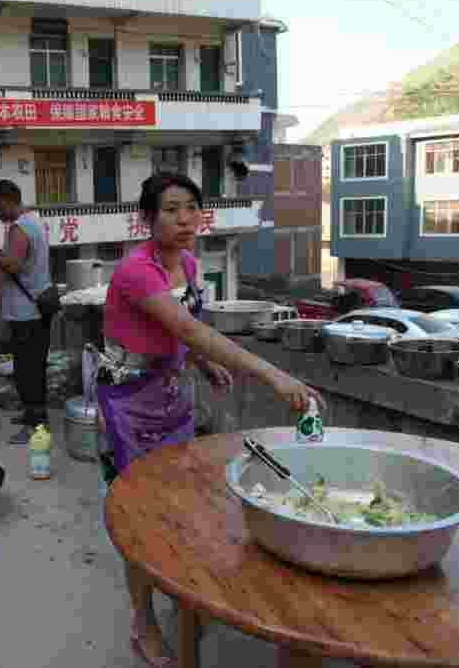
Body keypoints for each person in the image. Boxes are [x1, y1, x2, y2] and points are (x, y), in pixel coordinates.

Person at [97, 173, 323, 667]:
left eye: (191, 209)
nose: (184, 220)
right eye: (171, 209)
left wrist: (202, 363)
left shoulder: (190, 263)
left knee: (179, 505)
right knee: (139, 514)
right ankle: (143, 619)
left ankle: (181, 593)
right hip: (129, 403)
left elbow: (184, 333)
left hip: (174, 393)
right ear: (148, 218)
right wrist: (272, 375)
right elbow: (187, 326)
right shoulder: (137, 272)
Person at [0, 180, 52, 445]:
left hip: (27, 311)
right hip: (33, 307)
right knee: (30, 367)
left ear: (7, 200)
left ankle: (35, 426)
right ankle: (32, 415)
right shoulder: (33, 222)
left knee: (28, 370)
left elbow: (13, 265)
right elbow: (13, 258)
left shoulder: (19, 228)